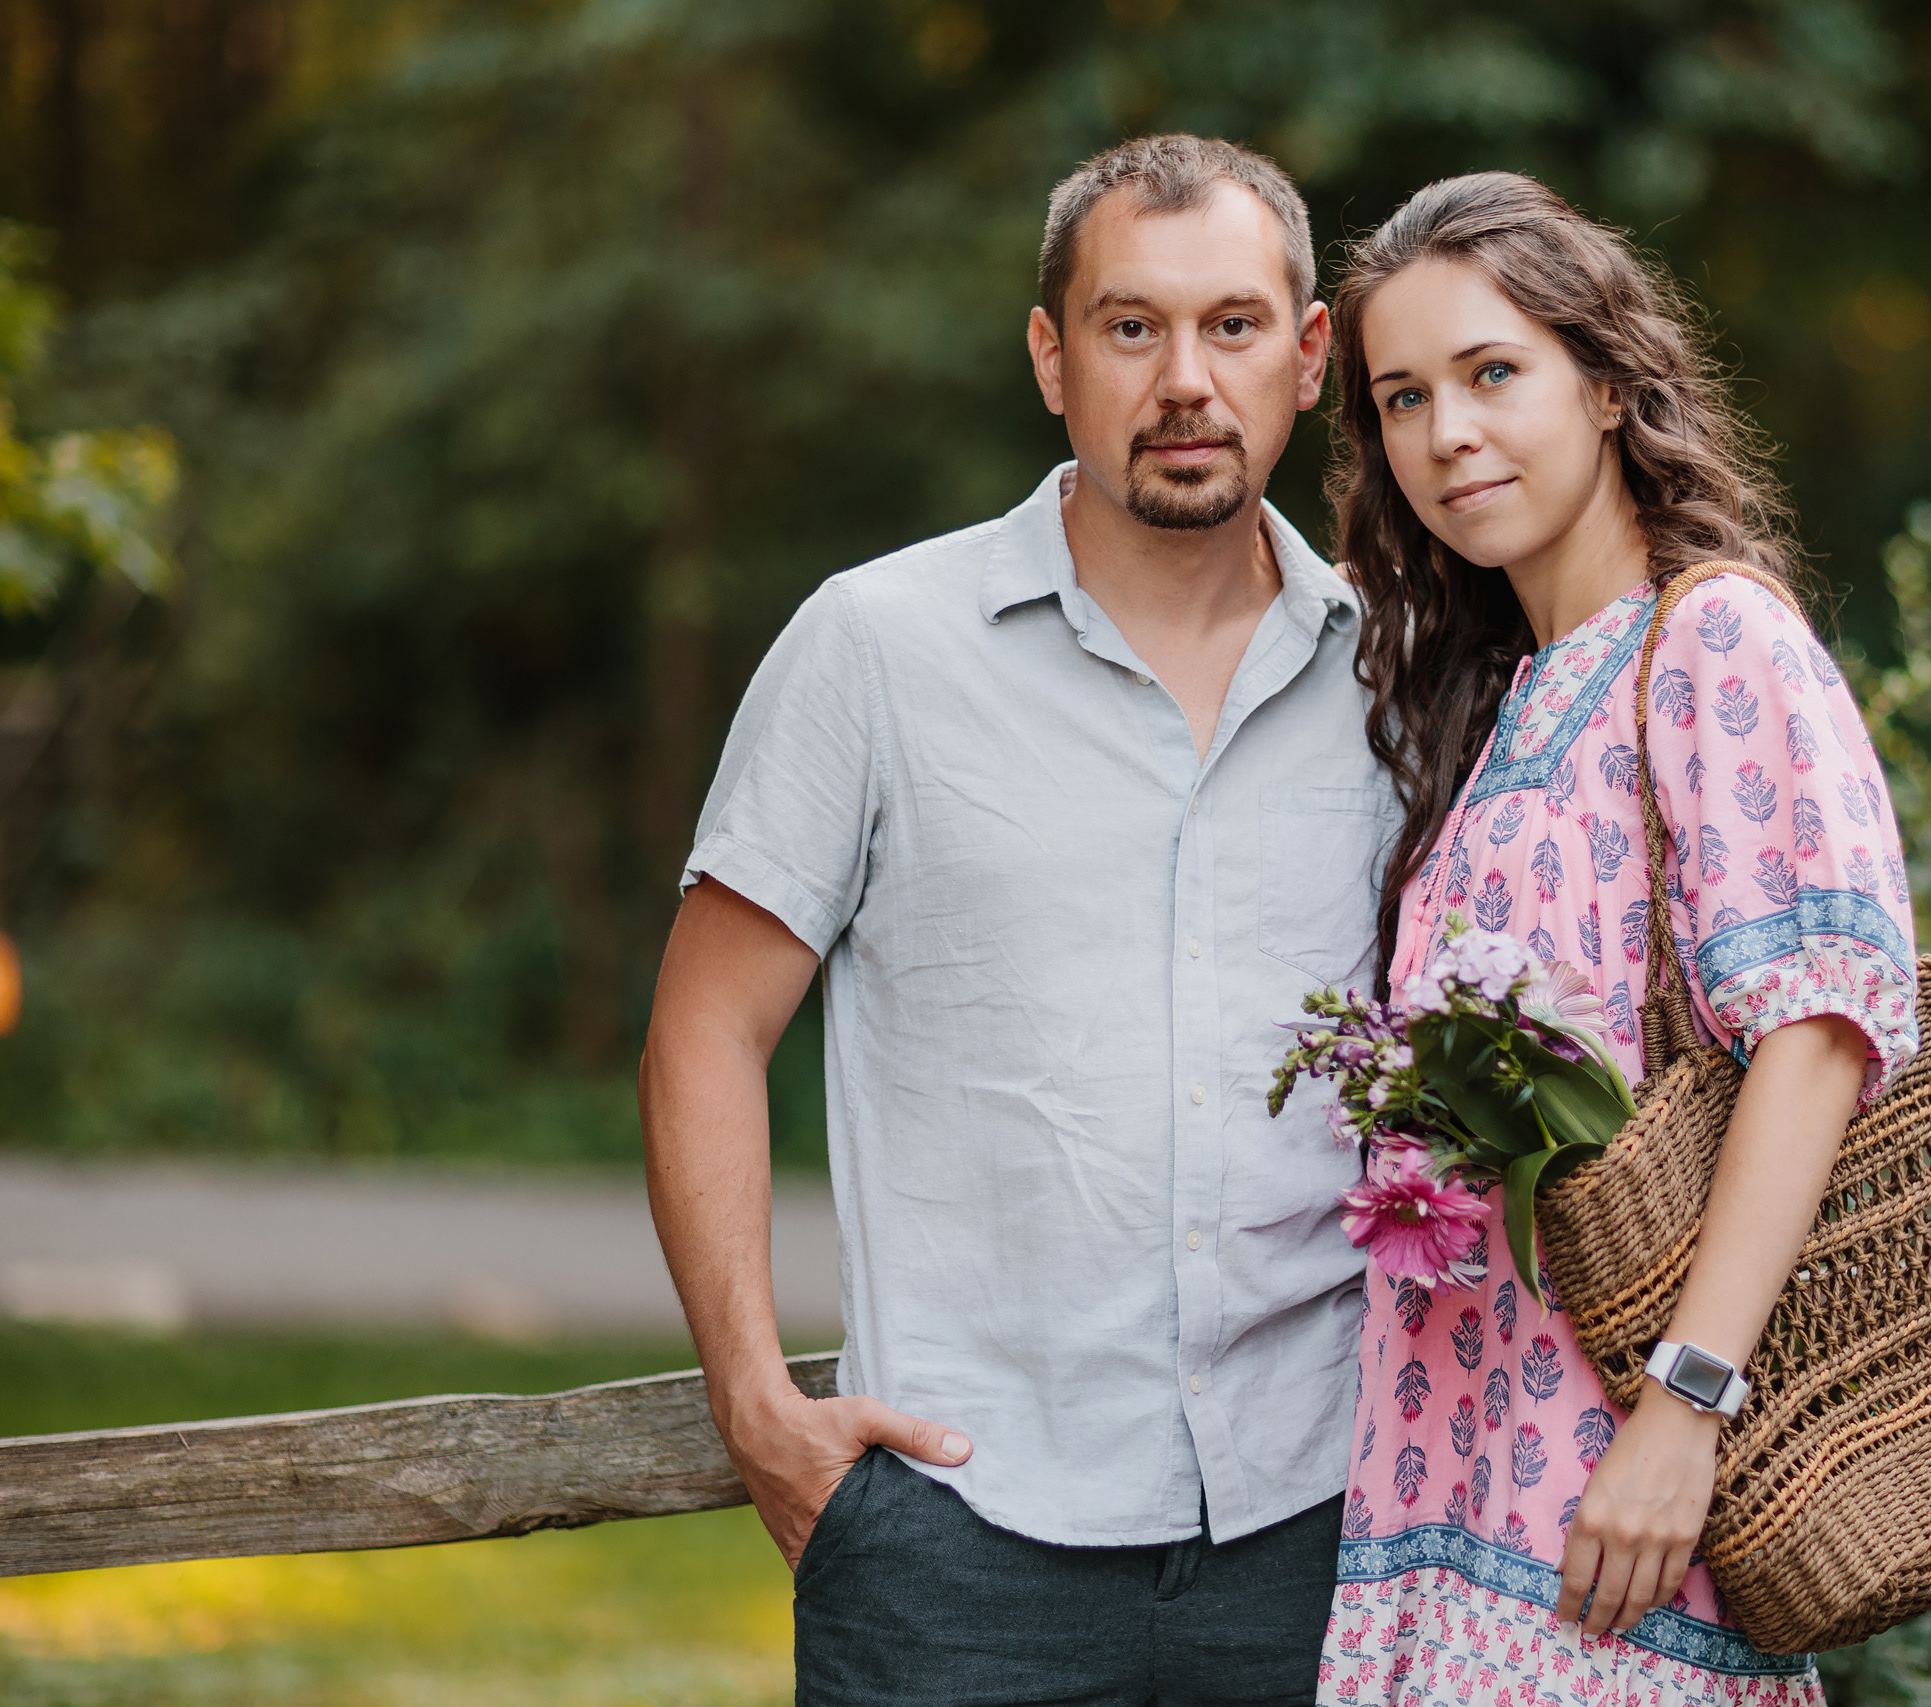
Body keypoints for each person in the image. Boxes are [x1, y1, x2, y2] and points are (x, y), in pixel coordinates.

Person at [639, 134, 1397, 1706]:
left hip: (1328, 1521)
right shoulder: (876, 649)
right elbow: (705, 1029)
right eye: (1131, 327)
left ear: (1311, 355)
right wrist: (756, 1405)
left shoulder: (1403, 675)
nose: (1186, 378)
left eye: (1235, 326)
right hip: (961, 1536)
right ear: (1052, 358)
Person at [1314, 173, 1921, 1704]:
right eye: (1402, 397)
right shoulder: (1506, 695)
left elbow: (1816, 1035)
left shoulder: (1712, 637)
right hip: (1450, 1476)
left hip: (1617, 1483)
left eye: (1492, 373)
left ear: (1605, 384)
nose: (1446, 433)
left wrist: (1683, 1411)